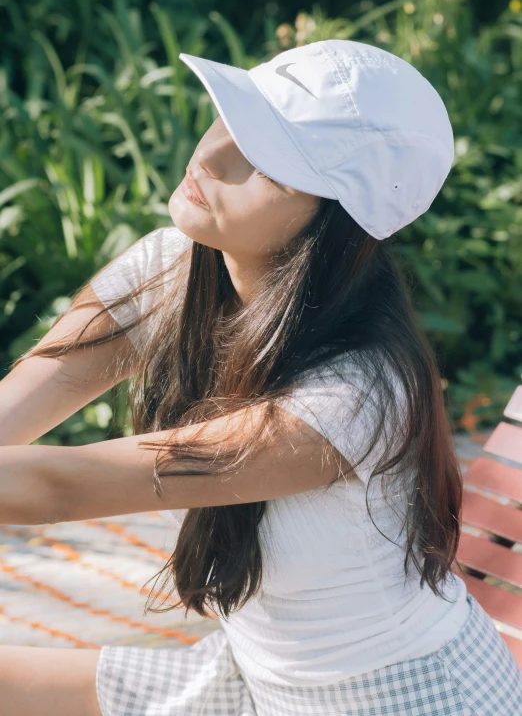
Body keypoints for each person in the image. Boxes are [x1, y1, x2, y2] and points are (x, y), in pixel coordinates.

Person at [1, 39, 521, 715]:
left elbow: (54, 489)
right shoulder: (174, 266)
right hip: (259, 677)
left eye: (265, 160)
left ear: (332, 224)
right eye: (229, 115)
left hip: (403, 701)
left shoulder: (356, 397)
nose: (211, 156)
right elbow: (32, 397)